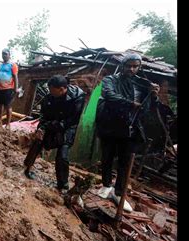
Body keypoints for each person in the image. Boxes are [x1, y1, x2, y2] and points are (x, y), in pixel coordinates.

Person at [95, 53, 160, 212]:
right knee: (107, 157)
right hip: (110, 126)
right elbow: (109, 95)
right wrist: (131, 103)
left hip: (131, 128)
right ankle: (106, 185)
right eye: (128, 65)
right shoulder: (111, 80)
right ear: (122, 65)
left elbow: (149, 107)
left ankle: (118, 193)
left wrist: (154, 95)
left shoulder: (143, 83)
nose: (131, 69)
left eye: (135, 66)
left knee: (125, 162)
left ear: (139, 67)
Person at [23, 75, 85, 193]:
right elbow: (44, 115)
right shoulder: (50, 96)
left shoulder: (77, 96)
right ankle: (27, 167)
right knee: (38, 141)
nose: (50, 92)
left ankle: (63, 185)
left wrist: (51, 125)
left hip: (67, 127)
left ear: (62, 89)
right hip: (51, 122)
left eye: (53, 90)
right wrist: (41, 128)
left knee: (62, 155)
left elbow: (71, 120)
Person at [0, 48, 19, 130]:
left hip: (8, 88)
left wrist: (16, 88)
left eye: (5, 54)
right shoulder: (0, 65)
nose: (3, 55)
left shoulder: (13, 65)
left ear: (9, 55)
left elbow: (15, 77)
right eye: (2, 54)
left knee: (8, 106)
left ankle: (8, 124)